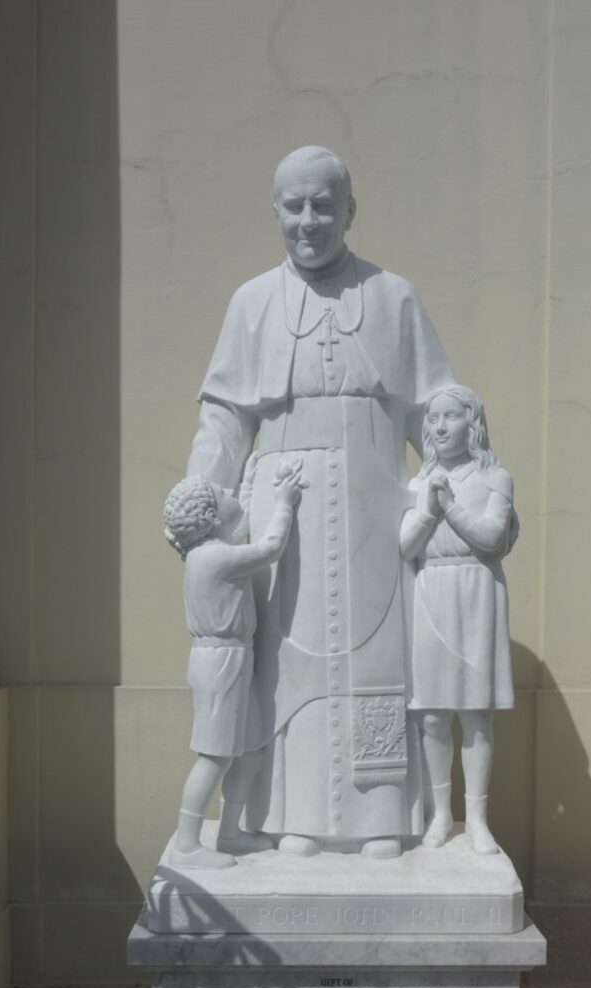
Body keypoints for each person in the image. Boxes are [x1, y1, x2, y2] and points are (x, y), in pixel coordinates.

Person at [185, 146, 456, 858]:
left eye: (324, 205)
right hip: (288, 509)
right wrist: (200, 498)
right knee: (291, 663)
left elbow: (435, 411)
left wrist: (466, 482)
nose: (310, 221)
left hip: (373, 500)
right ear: (276, 211)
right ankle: (292, 816)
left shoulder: (394, 297)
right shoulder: (251, 302)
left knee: (375, 657)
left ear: (350, 210)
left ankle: (379, 821)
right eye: (295, 206)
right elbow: (224, 416)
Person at [163, 457, 305, 869]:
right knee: (215, 755)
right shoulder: (210, 558)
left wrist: (249, 480)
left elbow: (238, 526)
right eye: (222, 494)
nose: (229, 494)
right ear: (209, 516)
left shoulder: (215, 548)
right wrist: (283, 502)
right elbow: (268, 548)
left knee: (253, 746)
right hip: (219, 662)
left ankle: (229, 830)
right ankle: (188, 844)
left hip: (236, 657)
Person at [399, 385, 517, 855]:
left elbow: (491, 537)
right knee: (431, 716)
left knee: (475, 713)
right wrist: (429, 509)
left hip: (477, 590)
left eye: (450, 416)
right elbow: (405, 548)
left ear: (473, 423)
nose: (439, 426)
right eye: (433, 419)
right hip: (432, 590)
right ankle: (440, 815)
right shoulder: (417, 483)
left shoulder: (495, 478)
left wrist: (450, 506)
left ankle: (478, 819)